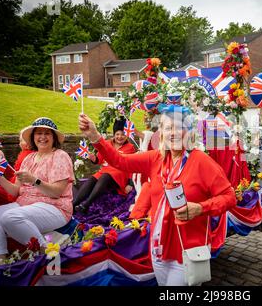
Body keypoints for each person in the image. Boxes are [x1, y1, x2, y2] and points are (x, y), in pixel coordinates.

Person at [78, 105, 236, 286]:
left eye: (179, 127)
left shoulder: (201, 161)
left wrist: (200, 208)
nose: (173, 133)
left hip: (186, 250)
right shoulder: (156, 158)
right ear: (161, 133)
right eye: (168, 128)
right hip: (158, 247)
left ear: (189, 131)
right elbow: (119, 161)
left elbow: (229, 197)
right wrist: (95, 136)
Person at [0, 117, 73, 266]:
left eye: (47, 133)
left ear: (53, 137)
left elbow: (56, 193)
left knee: (9, 217)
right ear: (33, 137)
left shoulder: (60, 156)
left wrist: (34, 180)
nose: (42, 137)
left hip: (55, 208)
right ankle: (1, 263)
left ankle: (48, 252)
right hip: (24, 205)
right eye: (38, 133)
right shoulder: (29, 158)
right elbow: (15, 191)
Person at [73, 118, 136, 213]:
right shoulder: (107, 143)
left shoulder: (130, 147)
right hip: (105, 171)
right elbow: (99, 160)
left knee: (105, 176)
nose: (120, 137)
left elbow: (131, 166)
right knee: (92, 179)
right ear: (114, 135)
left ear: (127, 135)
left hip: (119, 174)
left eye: (123, 134)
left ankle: (86, 204)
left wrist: (130, 183)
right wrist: (93, 158)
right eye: (117, 134)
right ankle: (74, 204)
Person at [0, 129, 34, 208]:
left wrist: (2, 162)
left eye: (21, 141)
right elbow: (14, 177)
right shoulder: (24, 156)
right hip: (16, 189)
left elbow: (15, 180)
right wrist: (3, 160)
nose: (19, 143)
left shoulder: (27, 157)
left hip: (21, 194)